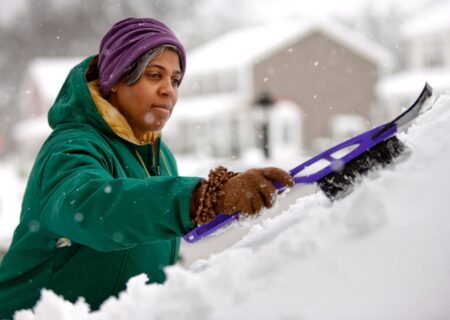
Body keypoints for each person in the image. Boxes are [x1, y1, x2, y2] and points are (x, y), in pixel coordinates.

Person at [0, 17, 293, 318]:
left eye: (175, 80)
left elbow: (148, 241)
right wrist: (201, 197)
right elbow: (93, 208)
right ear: (115, 80)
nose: (169, 90)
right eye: (155, 75)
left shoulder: (160, 156)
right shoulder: (71, 146)